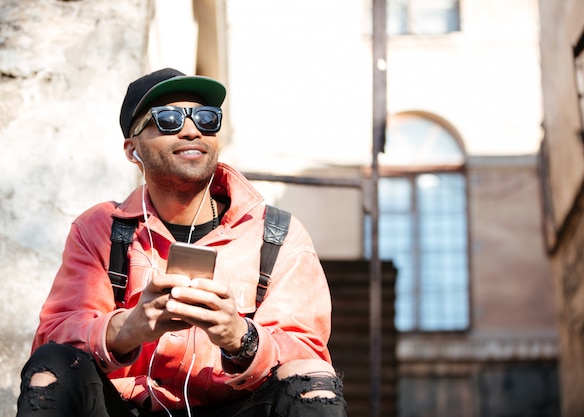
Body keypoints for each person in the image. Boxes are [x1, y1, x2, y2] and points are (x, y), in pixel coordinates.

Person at [16, 68, 347, 417]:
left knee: (312, 380)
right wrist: (126, 329)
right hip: (125, 407)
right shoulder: (99, 228)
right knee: (53, 365)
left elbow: (306, 351)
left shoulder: (276, 234)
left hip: (236, 407)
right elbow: (53, 338)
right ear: (133, 150)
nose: (192, 130)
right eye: (169, 119)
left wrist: (241, 338)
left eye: (207, 118)